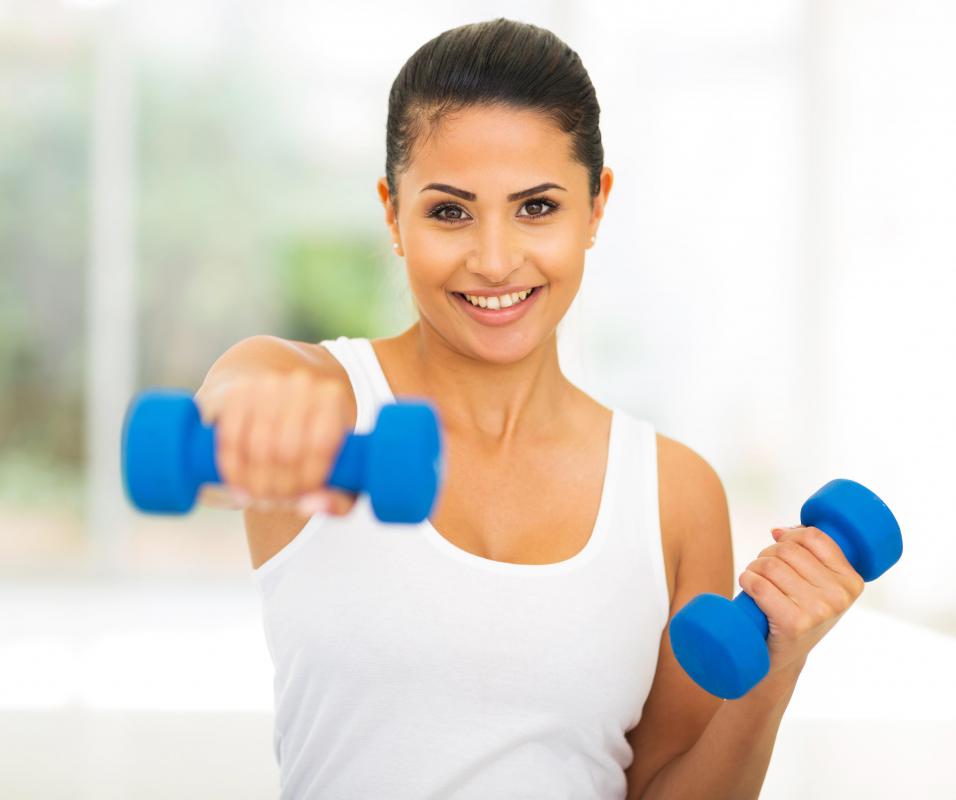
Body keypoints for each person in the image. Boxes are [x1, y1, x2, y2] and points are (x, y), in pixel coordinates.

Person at [194, 18, 864, 800]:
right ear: (392, 214)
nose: (495, 258)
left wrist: (775, 671)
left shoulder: (674, 493)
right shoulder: (315, 394)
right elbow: (229, 415)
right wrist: (261, 428)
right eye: (449, 211)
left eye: (537, 207)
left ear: (596, 205)